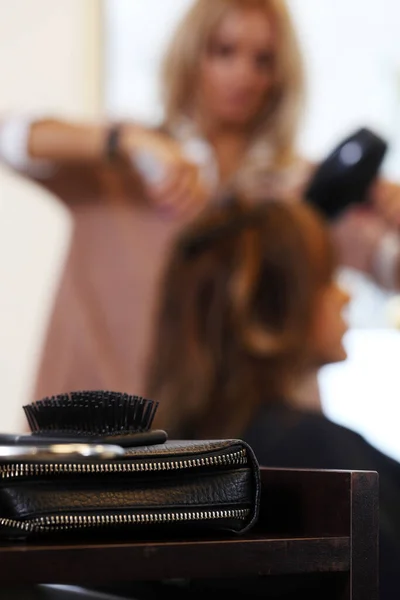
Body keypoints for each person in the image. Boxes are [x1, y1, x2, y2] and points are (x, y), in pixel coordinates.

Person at [1, 0, 400, 402]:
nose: (243, 75)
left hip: (245, 440)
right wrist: (122, 142)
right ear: (191, 55)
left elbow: (387, 265)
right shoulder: (121, 167)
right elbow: (10, 136)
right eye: (223, 51)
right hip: (97, 436)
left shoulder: (297, 194)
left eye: (262, 60)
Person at [145, 198, 400, 600]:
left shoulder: (181, 453)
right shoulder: (315, 454)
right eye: (326, 278)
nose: (344, 296)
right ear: (269, 312)